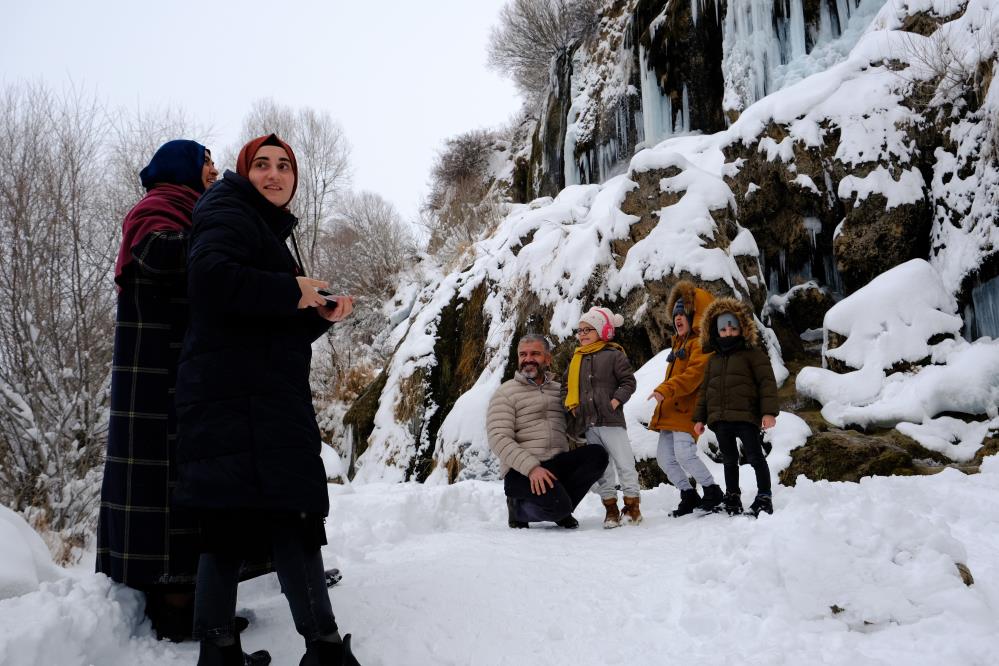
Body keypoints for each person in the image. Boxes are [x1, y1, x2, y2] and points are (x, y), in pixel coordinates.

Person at [174, 134, 360, 666]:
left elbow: (259, 325)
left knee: (234, 523)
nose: (274, 174)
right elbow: (209, 282)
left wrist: (314, 316)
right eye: (262, 165)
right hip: (236, 399)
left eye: (284, 166)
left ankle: (220, 652)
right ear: (244, 171)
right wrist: (289, 291)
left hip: (248, 394)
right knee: (290, 516)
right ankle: (322, 652)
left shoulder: (254, 221)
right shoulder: (227, 209)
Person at [97, 139, 221, 641]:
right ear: (183, 168)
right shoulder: (155, 208)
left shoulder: (187, 210)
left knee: (183, 486)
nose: (214, 169)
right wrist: (219, 238)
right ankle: (173, 612)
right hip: (154, 381)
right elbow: (159, 254)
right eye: (206, 161)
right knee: (162, 489)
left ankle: (190, 603)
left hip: (174, 371)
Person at [487, 334, 609, 529]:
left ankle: (561, 506)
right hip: (521, 472)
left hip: (557, 465)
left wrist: (586, 413)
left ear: (548, 359)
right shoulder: (505, 393)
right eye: (523, 354)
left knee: (597, 455)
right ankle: (519, 510)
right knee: (560, 507)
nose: (528, 359)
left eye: (535, 354)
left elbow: (574, 430)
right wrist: (532, 468)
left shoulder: (559, 390)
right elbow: (498, 438)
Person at [693, 297, 779, 517]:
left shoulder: (753, 354)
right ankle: (732, 496)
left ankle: (764, 495)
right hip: (721, 419)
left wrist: (768, 412)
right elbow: (706, 391)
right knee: (729, 459)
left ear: (741, 328)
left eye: (733, 327)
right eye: (723, 329)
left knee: (754, 455)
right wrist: (700, 418)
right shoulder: (713, 360)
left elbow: (767, 383)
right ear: (715, 331)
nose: (728, 332)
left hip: (746, 415)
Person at [648, 280, 724, 516]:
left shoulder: (701, 345)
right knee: (664, 459)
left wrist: (665, 389)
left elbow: (693, 376)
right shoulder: (678, 344)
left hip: (689, 410)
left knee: (684, 453)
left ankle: (712, 491)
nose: (678, 318)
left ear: (696, 317)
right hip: (671, 411)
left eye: (684, 314)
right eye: (676, 315)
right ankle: (688, 494)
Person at [562, 307, 641, 528]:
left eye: (589, 329)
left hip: (611, 421)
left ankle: (633, 508)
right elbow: (566, 388)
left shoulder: (614, 354)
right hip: (588, 424)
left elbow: (628, 382)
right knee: (603, 469)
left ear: (602, 331)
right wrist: (571, 406)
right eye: (580, 330)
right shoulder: (576, 359)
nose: (583, 334)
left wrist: (615, 401)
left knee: (624, 463)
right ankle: (611, 510)